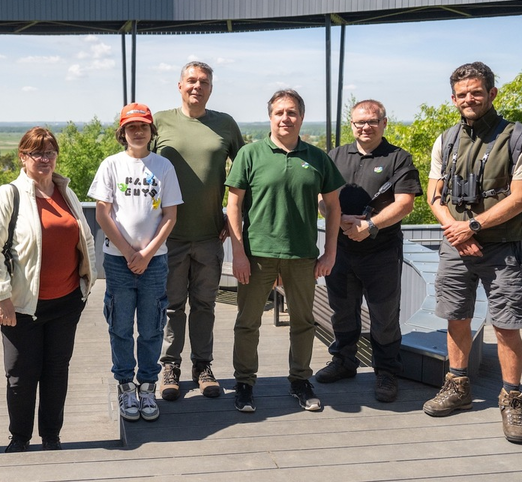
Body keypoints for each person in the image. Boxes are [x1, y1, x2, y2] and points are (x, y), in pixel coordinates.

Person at [424, 62, 522, 443]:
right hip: (457, 244)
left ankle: (512, 399)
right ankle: (458, 387)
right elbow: (435, 195)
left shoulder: (518, 137)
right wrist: (455, 230)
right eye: (462, 94)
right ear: (453, 98)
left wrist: (472, 226)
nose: (469, 99)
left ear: (492, 94)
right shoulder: (446, 139)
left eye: (476, 92)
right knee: (455, 316)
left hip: (501, 246)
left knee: (506, 324)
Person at [0, 127, 97, 452]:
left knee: (57, 371)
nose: (44, 159)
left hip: (67, 302)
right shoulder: (8, 195)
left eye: (49, 152)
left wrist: (87, 282)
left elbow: (83, 238)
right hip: (22, 305)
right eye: (36, 153)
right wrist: (2, 298)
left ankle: (51, 436)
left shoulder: (65, 192)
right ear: (23, 157)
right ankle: (19, 437)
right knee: (20, 374)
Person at [226, 89, 344, 413]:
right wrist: (237, 252)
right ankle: (245, 383)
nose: (285, 118)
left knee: (303, 322)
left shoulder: (317, 158)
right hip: (257, 254)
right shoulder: (250, 155)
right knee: (248, 322)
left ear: (302, 118)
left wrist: (330, 252)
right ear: (270, 117)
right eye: (279, 112)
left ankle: (300, 381)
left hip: (303, 255)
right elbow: (233, 205)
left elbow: (334, 207)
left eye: (292, 112)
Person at [316, 99, 421, 402]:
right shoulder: (334, 156)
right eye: (359, 122)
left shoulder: (397, 158)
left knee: (384, 315)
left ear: (384, 123)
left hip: (382, 253)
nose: (365, 127)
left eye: (372, 121)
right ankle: (344, 362)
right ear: (352, 124)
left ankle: (386, 371)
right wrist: (339, 217)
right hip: (341, 250)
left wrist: (371, 226)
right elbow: (320, 197)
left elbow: (405, 204)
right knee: (342, 311)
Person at [153, 61, 245, 400]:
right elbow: (140, 169)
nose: (197, 86)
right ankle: (170, 367)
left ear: (210, 88)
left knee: (205, 304)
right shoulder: (160, 121)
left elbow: (245, 173)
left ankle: (202, 366)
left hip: (209, 234)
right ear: (179, 85)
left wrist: (232, 216)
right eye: (191, 80)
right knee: (172, 305)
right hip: (168, 235)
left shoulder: (225, 125)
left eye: (203, 81)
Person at [89, 103, 182, 422]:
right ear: (122, 133)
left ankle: (147, 386)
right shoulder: (111, 166)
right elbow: (102, 213)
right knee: (120, 325)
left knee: (152, 326)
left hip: (155, 263)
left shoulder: (163, 167)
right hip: (118, 262)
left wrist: (146, 253)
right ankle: (126, 385)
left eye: (143, 126)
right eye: (132, 127)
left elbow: (170, 216)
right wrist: (129, 252)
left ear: (151, 131)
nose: (138, 132)